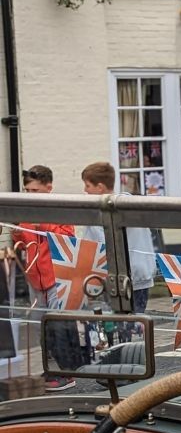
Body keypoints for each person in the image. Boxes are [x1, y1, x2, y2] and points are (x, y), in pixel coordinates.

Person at [14, 165, 77, 391]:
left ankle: (66, 373)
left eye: (34, 191)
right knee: (42, 327)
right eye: (27, 191)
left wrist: (43, 224)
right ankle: (50, 369)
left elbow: (68, 238)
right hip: (35, 278)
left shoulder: (60, 208)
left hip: (57, 276)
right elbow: (26, 236)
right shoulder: (27, 212)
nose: (29, 195)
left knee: (58, 326)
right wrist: (18, 233)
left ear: (48, 188)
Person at [79, 162, 157, 315]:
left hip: (117, 280)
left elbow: (100, 245)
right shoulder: (132, 204)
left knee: (117, 327)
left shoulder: (101, 215)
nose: (84, 190)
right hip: (140, 275)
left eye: (87, 185)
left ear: (100, 187)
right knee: (136, 324)